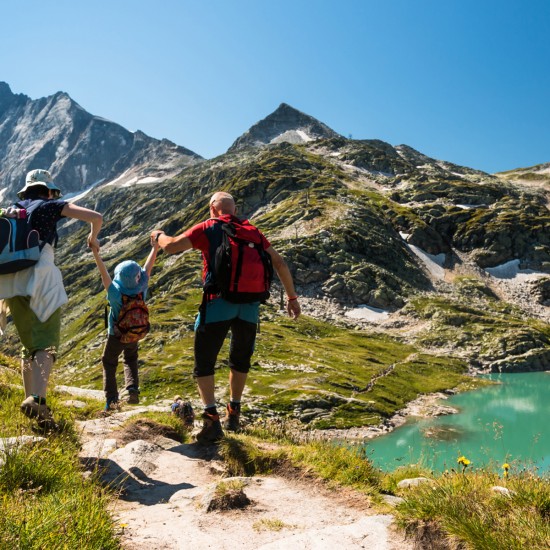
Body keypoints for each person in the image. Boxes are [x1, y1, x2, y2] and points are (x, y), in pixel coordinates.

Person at [151, 191, 301, 444]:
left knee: (204, 362)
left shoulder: (209, 227)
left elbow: (172, 247)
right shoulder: (252, 231)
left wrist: (157, 236)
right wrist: (292, 297)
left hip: (218, 303)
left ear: (212, 208)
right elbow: (280, 263)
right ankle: (234, 412)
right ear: (233, 209)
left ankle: (211, 420)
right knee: (240, 359)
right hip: (250, 306)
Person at [0, 169, 103, 429]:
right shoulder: (49, 205)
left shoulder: (10, 210)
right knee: (46, 345)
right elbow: (95, 216)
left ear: (25, 191)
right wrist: (93, 236)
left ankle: (32, 401)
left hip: (10, 281)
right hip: (41, 276)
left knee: (28, 346)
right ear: (48, 190)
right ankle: (38, 400)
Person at [91, 235, 159, 410]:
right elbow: (147, 268)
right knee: (130, 358)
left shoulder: (115, 293)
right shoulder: (141, 288)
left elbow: (103, 273)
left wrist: (95, 253)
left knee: (109, 362)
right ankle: (132, 389)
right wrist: (155, 248)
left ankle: (112, 401)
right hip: (135, 333)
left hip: (117, 335)